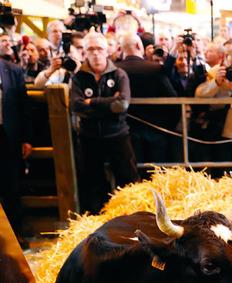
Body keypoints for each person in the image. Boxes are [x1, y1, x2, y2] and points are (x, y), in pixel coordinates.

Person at [70, 31, 139, 213]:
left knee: (127, 179)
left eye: (99, 48)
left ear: (107, 51)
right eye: (90, 49)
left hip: (117, 134)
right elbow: (76, 106)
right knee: (92, 182)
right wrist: (109, 104)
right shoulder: (79, 77)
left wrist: (92, 102)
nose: (95, 53)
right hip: (89, 137)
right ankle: (96, 220)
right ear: (84, 52)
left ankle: (130, 216)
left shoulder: (119, 74)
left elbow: (122, 104)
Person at [116, 32, 177, 163]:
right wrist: (169, 124)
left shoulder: (114, 70)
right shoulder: (155, 69)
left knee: (132, 172)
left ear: (120, 48)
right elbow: (173, 98)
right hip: (156, 129)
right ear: (139, 45)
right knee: (156, 172)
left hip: (125, 130)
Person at [0, 57, 32, 245]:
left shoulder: (13, 71)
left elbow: (24, 107)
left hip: (8, 136)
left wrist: (27, 139)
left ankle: (15, 235)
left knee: (11, 187)